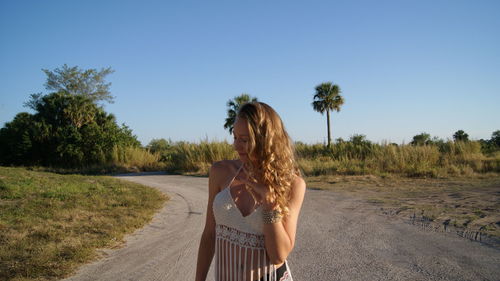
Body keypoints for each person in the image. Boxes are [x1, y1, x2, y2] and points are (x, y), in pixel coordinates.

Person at [195, 102, 306, 281]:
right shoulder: (220, 171)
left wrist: (270, 206)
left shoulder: (292, 184)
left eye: (245, 140)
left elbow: (279, 255)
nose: (236, 146)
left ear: (266, 140)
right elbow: (209, 234)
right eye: (235, 137)